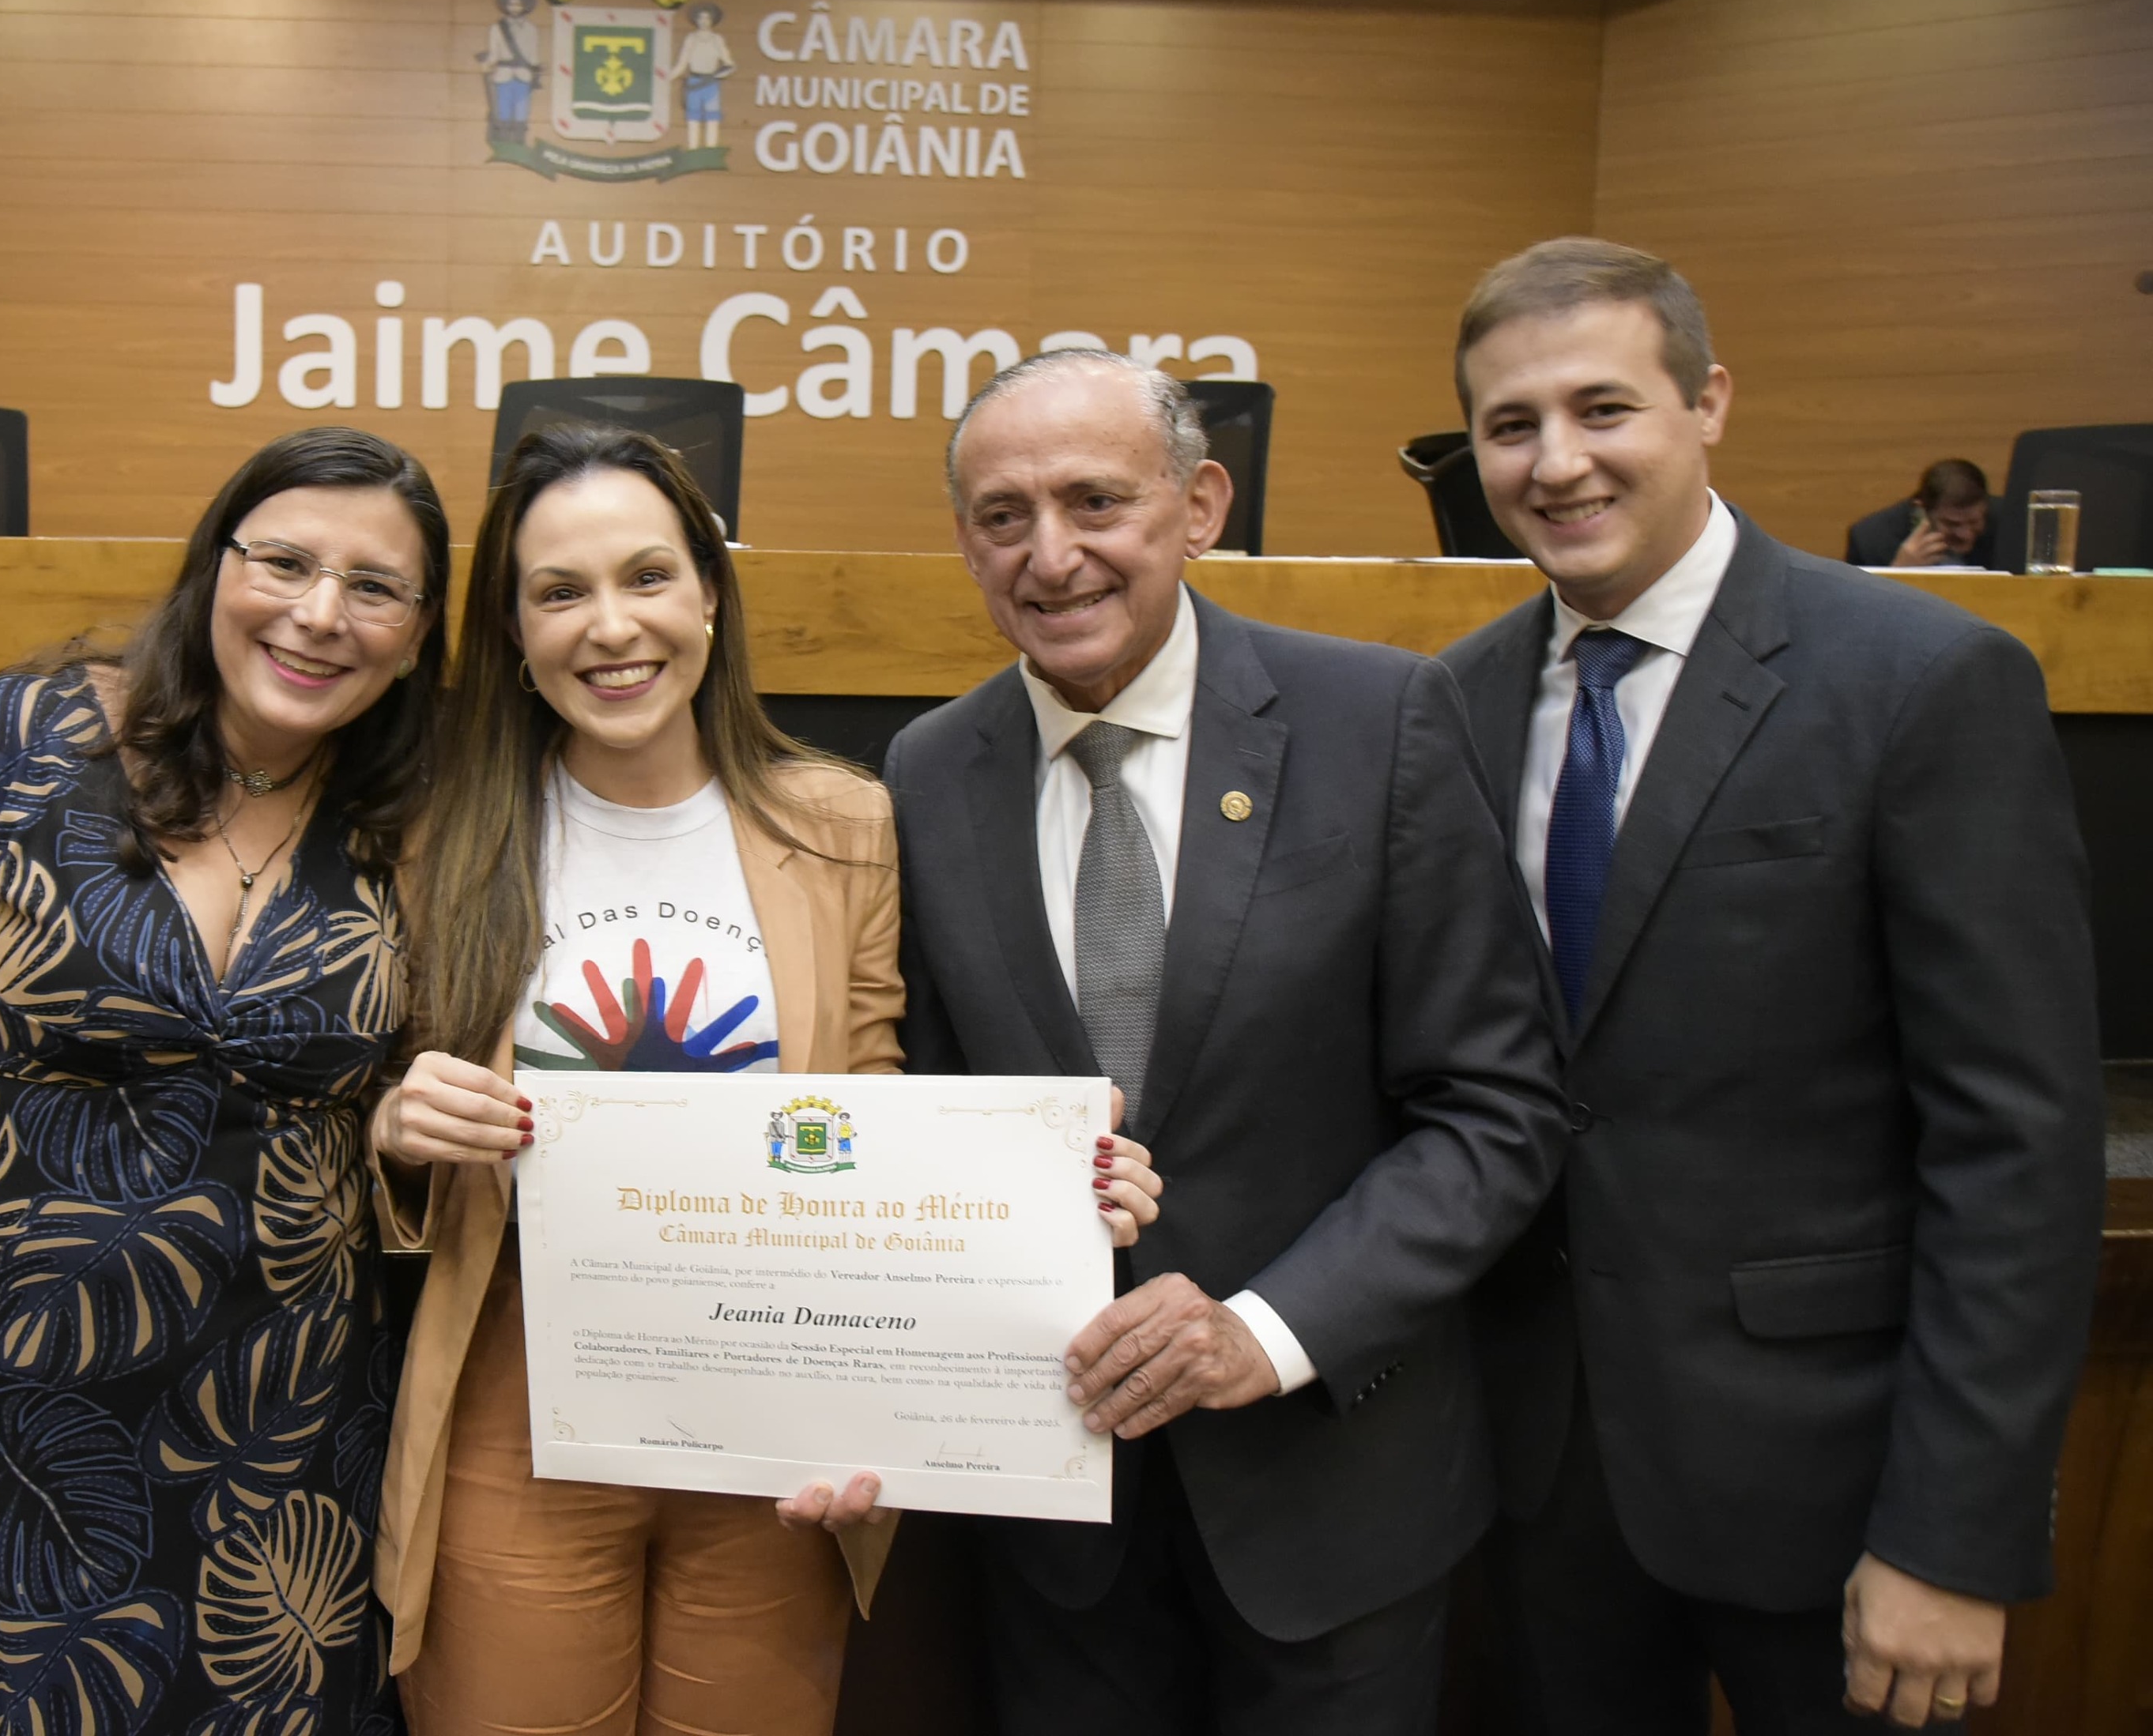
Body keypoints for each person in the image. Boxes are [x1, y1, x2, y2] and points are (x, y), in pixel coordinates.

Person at [371, 424, 1159, 1736]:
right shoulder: (434, 837)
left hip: (776, 1422)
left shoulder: (841, 823)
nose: (610, 625)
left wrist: (1054, 1197)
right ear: (511, 630)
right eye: (559, 591)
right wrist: (401, 1127)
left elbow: (877, 1118)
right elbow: (349, 1128)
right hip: (516, 1405)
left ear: (709, 594)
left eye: (647, 575)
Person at [1438, 239, 2104, 1733]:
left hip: (1841, 1493)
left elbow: (2017, 1146)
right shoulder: (1455, 703)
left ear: (1709, 402)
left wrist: (1955, 1533)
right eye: (1510, 424)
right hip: (1541, 1486)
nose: (1556, 462)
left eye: (1603, 407)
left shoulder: (1922, 681)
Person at [884, 350, 1568, 1735]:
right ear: (965, 539)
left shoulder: (1380, 721)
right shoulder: (928, 771)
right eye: (1004, 516)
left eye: (1096, 500)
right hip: (1057, 1517)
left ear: (1199, 505)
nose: (1050, 554)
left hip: (1331, 1490)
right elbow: (932, 1120)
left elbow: (1495, 1109)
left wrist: (1266, 1330)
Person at [0, 427, 448, 1736]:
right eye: (285, 562)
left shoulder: (417, 819)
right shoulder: (14, 743)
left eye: (375, 587)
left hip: (275, 1447)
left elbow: (409, 1091)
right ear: (211, 569)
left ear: (418, 637)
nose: (319, 613)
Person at [1846, 459, 1997, 568]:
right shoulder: (1871, 541)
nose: (1965, 535)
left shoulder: (2007, 524)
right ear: (1922, 510)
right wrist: (1899, 573)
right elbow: (1856, 602)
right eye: (1952, 524)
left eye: (1974, 522)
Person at [666, 2, 735, 152]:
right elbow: (682, 64)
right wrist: (667, 78)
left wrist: (718, 75)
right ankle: (693, 151)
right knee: (693, 119)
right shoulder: (691, 39)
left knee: (712, 118)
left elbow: (729, 64)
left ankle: (711, 151)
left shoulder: (717, 39)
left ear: (712, 20)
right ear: (696, 20)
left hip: (711, 83)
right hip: (694, 83)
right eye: (701, 18)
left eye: (707, 18)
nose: (704, 21)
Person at [477, 0, 541, 147]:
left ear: (524, 6)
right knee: (503, 109)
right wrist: (487, 64)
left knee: (521, 110)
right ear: (506, 6)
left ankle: (519, 141)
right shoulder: (497, 28)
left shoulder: (531, 29)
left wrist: (535, 70)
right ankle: (504, 141)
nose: (514, 8)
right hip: (503, 73)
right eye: (511, 4)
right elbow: (494, 53)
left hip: (523, 74)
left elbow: (533, 54)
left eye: (518, 4)